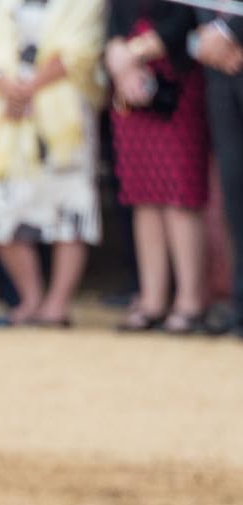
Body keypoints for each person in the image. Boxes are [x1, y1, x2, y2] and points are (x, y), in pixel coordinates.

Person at [0, 0, 106, 324]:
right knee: (4, 209)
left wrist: (31, 87)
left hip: (65, 113)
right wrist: (7, 85)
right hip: (9, 112)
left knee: (69, 207)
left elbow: (82, 48)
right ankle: (31, 298)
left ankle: (56, 304)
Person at [107, 0, 210, 331]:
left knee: (179, 191)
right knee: (142, 195)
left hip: (175, 78)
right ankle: (152, 299)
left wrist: (132, 53)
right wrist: (119, 62)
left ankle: (190, 300)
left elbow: (185, 17)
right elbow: (113, 18)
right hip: (127, 80)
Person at [199, 9, 243, 335]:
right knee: (236, 198)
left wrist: (231, 32)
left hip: (228, 45)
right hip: (221, 72)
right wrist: (212, 37)